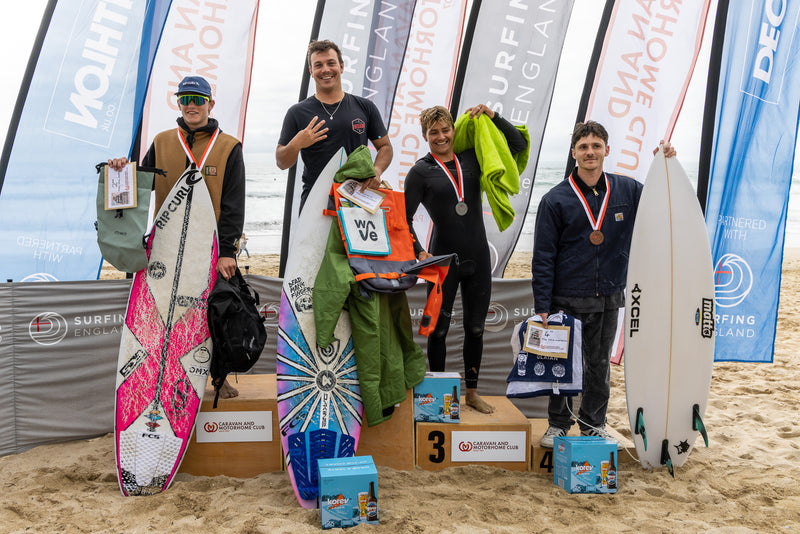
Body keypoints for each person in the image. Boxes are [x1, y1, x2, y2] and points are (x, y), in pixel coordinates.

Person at [532, 120, 675, 447]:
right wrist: (542, 307)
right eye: (583, 147)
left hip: (608, 297)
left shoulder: (627, 190)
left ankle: (593, 423)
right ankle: (557, 425)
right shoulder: (555, 200)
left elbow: (661, 202)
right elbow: (542, 258)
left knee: (598, 368)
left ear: (607, 150)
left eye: (596, 146)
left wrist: (663, 164)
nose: (590, 152)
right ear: (574, 153)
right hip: (565, 299)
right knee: (562, 365)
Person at [108, 75, 245, 400]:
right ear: (178, 103)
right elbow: (140, 191)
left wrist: (228, 251)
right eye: (185, 99)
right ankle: (158, 372)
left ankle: (217, 376)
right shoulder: (162, 140)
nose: (191, 106)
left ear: (210, 104)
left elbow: (234, 204)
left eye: (198, 99)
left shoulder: (229, 147)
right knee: (162, 312)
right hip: (165, 246)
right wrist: (119, 171)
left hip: (208, 249)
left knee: (210, 314)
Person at [404, 105, 528, 414]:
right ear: (425, 136)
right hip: (444, 261)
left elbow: (517, 145)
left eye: (445, 130)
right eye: (434, 132)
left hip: (477, 257)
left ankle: (471, 393)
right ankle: (440, 399)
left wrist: (495, 116)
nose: (441, 136)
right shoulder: (421, 172)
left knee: (476, 329)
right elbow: (402, 220)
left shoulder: (472, 158)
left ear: (453, 131)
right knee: (439, 330)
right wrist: (420, 251)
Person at [276, 39, 392, 211]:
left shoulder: (364, 107)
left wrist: (377, 170)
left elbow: (385, 147)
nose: (325, 70)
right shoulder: (297, 113)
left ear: (342, 67)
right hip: (315, 205)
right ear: (311, 71)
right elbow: (281, 162)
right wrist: (297, 143)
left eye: (331, 63)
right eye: (318, 65)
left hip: (357, 200)